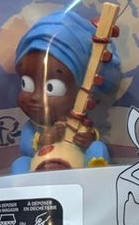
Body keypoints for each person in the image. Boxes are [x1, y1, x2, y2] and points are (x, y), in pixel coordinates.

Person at [10, 9, 120, 174]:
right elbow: (26, 148)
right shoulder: (33, 127)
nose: (35, 97)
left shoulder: (78, 120)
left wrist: (87, 139)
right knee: (20, 163)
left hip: (76, 171)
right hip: (39, 170)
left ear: (80, 89)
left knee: (97, 147)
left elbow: (91, 135)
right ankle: (23, 189)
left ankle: (97, 177)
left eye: (51, 87)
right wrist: (42, 140)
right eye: (26, 84)